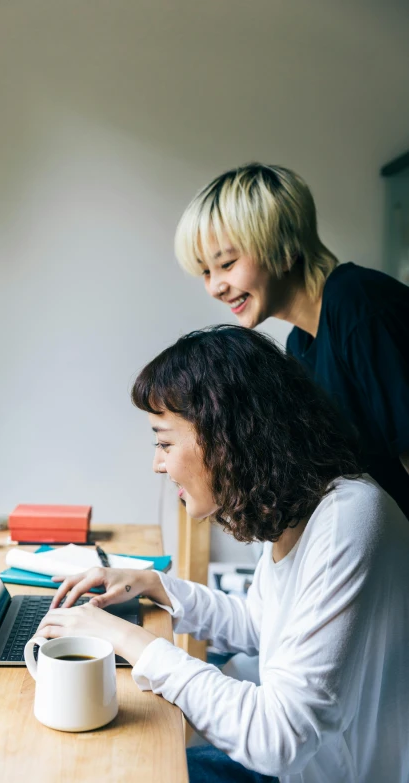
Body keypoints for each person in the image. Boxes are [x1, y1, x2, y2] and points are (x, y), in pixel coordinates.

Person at [34, 326, 409, 783]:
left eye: (165, 442)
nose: (157, 463)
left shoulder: (350, 517)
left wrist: (128, 639)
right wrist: (157, 587)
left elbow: (280, 739)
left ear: (227, 437)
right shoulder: (300, 509)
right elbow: (261, 627)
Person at [173, 163, 409, 519]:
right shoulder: (299, 346)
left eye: (227, 263)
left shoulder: (359, 306)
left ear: (284, 247)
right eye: (206, 271)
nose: (215, 286)